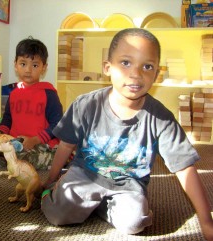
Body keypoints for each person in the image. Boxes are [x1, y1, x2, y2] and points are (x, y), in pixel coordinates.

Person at [41, 28, 213, 239]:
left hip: (128, 184)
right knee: (58, 214)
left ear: (156, 74)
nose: (136, 74)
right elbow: (66, 145)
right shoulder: (85, 105)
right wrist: (51, 179)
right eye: (125, 63)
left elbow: (185, 168)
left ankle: (101, 206)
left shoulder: (161, 117)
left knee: (135, 223)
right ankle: (63, 195)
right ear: (107, 67)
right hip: (85, 173)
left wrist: (206, 221)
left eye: (147, 66)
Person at [0, 36, 63, 170]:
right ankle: (16, 161)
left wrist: (34, 140)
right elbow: (7, 119)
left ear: (43, 68)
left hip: (40, 144)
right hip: (16, 142)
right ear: (15, 65)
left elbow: (57, 125)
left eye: (35, 65)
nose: (28, 70)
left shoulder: (49, 93)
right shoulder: (14, 93)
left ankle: (21, 162)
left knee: (33, 157)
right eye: (23, 64)